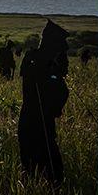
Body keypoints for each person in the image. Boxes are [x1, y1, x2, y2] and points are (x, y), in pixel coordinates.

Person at [19, 20, 70, 184]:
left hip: (40, 123)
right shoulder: (37, 62)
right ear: (52, 43)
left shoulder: (45, 62)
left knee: (46, 172)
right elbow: (50, 90)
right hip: (34, 123)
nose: (63, 49)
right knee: (46, 172)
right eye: (60, 44)